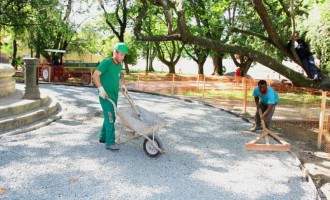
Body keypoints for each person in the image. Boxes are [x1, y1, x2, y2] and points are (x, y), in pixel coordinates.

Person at [92, 42, 129, 151]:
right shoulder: (107, 62)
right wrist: (101, 89)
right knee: (110, 118)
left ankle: (103, 137)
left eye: (124, 55)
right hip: (105, 96)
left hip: (114, 95)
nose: (123, 57)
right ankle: (109, 142)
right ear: (115, 53)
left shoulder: (119, 65)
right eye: (121, 54)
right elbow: (95, 75)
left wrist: (123, 85)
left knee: (110, 116)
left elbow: (120, 76)